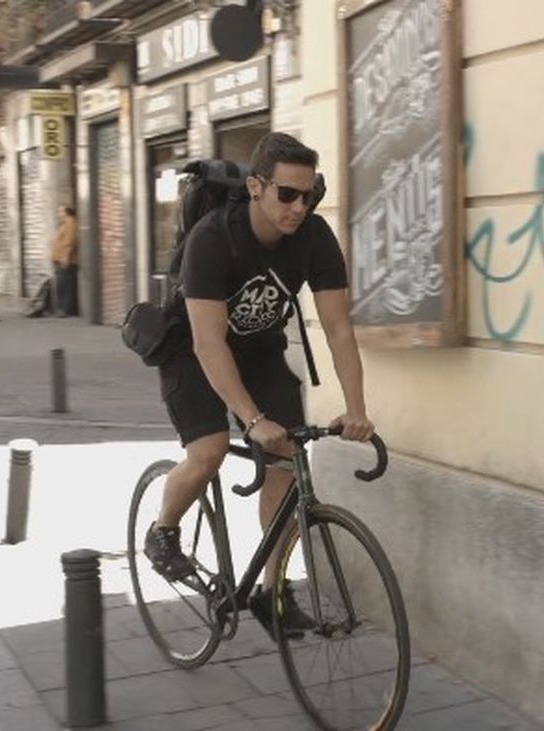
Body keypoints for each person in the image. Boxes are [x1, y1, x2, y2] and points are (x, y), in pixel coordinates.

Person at [143, 132, 375, 639]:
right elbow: (208, 342)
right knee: (209, 451)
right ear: (256, 187)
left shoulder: (314, 237)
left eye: (309, 195)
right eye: (287, 194)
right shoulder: (212, 239)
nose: (299, 207)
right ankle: (163, 531)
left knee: (287, 461)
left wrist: (356, 408)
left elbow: (338, 329)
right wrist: (251, 420)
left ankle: (273, 592)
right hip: (191, 351)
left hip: (259, 351)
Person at [50, 205, 79, 316]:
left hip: (65, 260)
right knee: (62, 285)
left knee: (65, 286)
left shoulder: (71, 224)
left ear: (67, 212)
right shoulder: (65, 224)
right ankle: (63, 309)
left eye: (60, 211)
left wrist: (65, 257)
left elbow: (70, 242)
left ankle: (66, 309)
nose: (59, 214)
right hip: (59, 258)